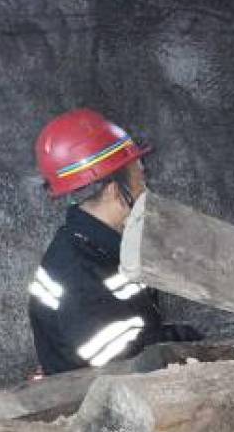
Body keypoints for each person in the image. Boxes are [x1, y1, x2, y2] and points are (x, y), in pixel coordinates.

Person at [29, 108, 165, 374]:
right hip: (99, 392)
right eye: (141, 180)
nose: (146, 191)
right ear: (115, 192)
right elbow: (127, 366)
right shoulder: (78, 275)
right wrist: (190, 339)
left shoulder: (101, 246)